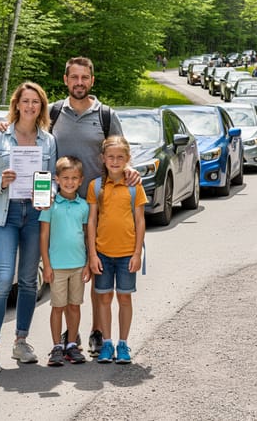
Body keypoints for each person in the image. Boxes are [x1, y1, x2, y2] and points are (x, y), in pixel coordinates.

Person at [0, 56, 139, 357]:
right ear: (66, 79)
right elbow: (29, 132)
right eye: (74, 77)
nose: (79, 83)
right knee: (65, 268)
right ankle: (69, 337)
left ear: (92, 81)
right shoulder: (56, 113)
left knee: (98, 276)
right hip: (59, 208)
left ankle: (99, 335)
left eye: (85, 78)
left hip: (98, 207)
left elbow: (119, 152)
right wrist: (5, 124)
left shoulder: (107, 115)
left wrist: (130, 171)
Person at [0, 82, 57, 373]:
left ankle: (21, 341)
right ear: (16, 104)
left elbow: (52, 179)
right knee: (2, 280)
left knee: (28, 281)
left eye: (36, 102)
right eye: (26, 101)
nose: (30, 106)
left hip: (34, 215)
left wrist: (49, 193)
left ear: (42, 107)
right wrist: (0, 182)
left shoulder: (48, 141)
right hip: (4, 214)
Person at [87, 136, 146, 365]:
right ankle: (107, 343)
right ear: (103, 159)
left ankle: (123, 343)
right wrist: (92, 254)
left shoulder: (134, 186)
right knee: (103, 298)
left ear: (127, 159)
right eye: (110, 157)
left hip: (126, 254)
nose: (115, 161)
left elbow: (140, 221)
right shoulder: (96, 186)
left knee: (124, 297)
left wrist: (137, 253)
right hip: (102, 253)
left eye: (120, 157)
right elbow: (92, 220)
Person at [39, 156, 90, 366]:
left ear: (81, 180)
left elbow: (87, 235)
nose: (70, 182)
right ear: (57, 180)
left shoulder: (84, 206)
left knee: (75, 306)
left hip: (78, 265)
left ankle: (71, 344)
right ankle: (56, 346)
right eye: (65, 178)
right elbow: (43, 236)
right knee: (57, 307)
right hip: (57, 267)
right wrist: (47, 265)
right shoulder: (50, 205)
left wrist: (87, 263)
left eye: (74, 178)